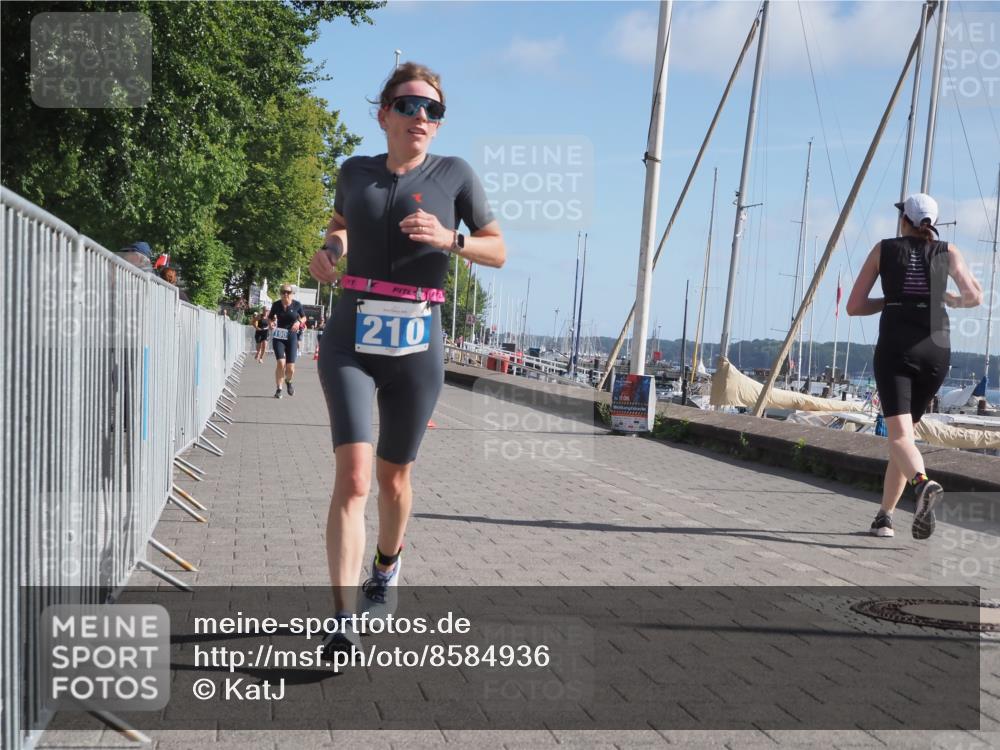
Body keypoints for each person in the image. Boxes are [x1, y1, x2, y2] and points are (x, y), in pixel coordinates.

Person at [308, 62, 505, 649]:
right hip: (349, 335)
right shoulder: (355, 172)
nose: (422, 116)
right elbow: (341, 224)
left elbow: (498, 249)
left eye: (433, 110)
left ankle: (386, 566)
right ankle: (341, 620)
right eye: (411, 105)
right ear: (384, 114)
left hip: (417, 341)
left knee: (395, 479)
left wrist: (452, 239)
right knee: (355, 477)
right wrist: (329, 250)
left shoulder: (456, 176)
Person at [847, 193, 982, 539]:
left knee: (900, 436)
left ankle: (922, 485)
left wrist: (891, 300)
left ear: (903, 219)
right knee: (903, 437)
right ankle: (885, 517)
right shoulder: (948, 252)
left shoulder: (884, 249)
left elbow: (854, 305)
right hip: (936, 352)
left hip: (896, 347)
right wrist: (948, 299)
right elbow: (975, 296)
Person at [267, 285, 306, 398]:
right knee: (280, 363)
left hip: (292, 336)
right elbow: (270, 317)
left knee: (290, 368)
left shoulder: (297, 304)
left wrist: (298, 323)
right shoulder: (276, 305)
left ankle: (288, 381)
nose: (285, 294)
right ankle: (279, 389)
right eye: (283, 292)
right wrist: (270, 323)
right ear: (280, 293)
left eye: (288, 292)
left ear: (292, 294)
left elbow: (304, 318)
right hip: (279, 335)